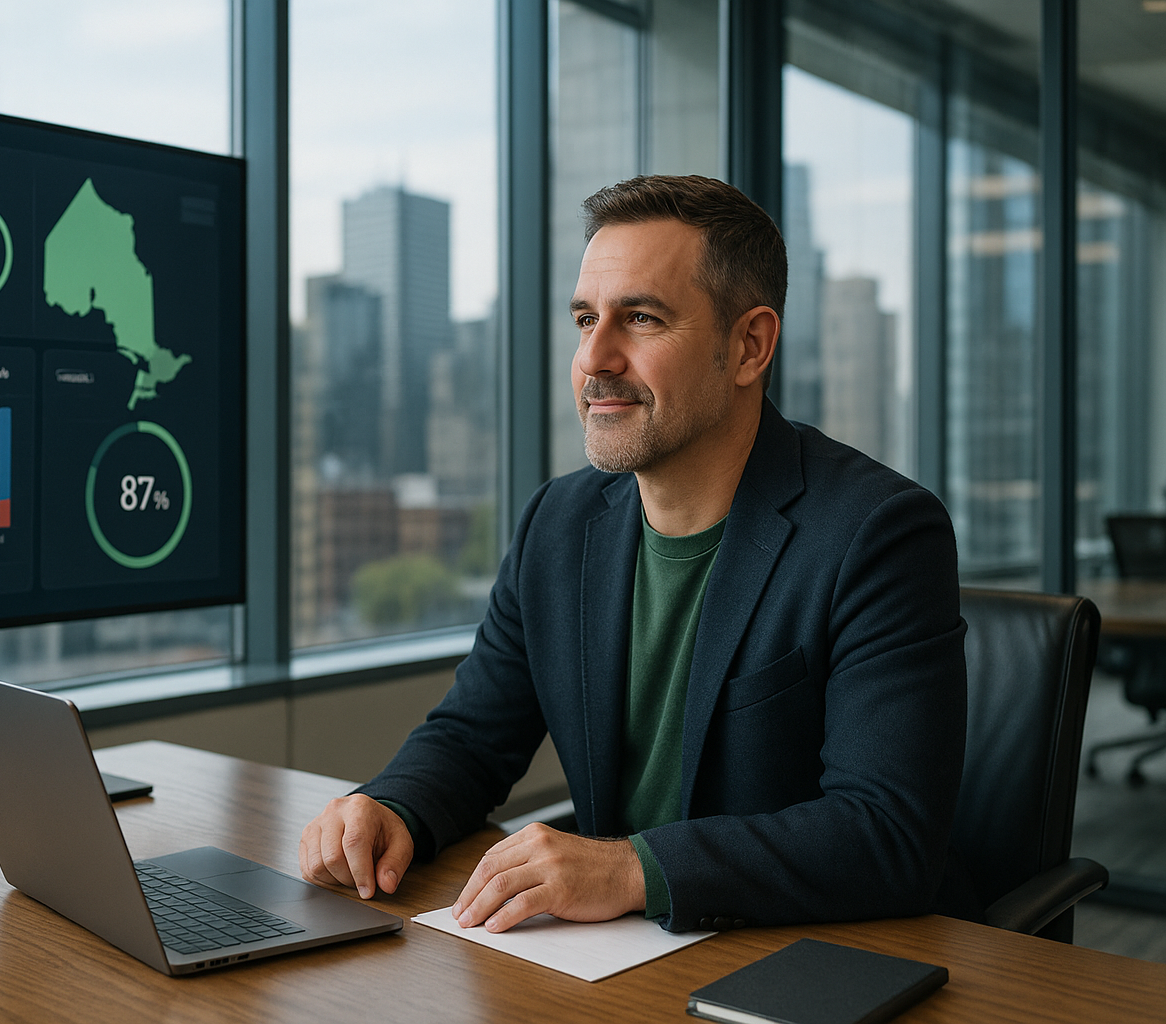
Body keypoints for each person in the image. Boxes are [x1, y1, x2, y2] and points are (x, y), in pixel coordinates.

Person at [298, 174, 972, 935]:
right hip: (612, 958)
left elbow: (885, 832)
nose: (595, 358)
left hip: (795, 959)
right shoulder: (558, 523)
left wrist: (629, 869)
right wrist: (389, 806)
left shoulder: (878, 534)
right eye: (586, 319)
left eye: (641, 319)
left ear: (749, 346)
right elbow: (472, 737)